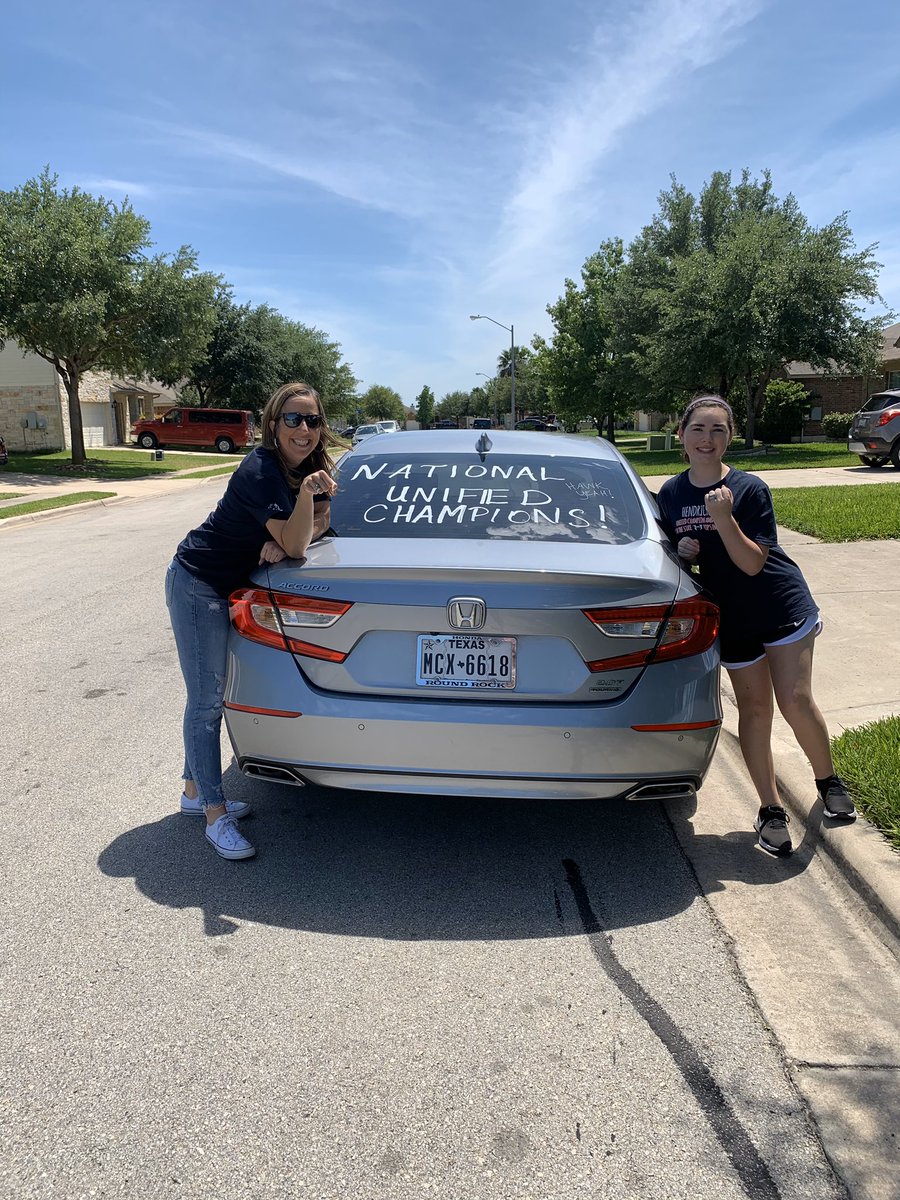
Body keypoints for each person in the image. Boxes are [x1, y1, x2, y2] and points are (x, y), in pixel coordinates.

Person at [656, 395, 855, 857]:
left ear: (729, 436)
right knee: (755, 709)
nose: (708, 439)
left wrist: (723, 521)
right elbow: (680, 558)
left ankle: (826, 780)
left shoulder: (749, 489)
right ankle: (771, 809)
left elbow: (751, 563)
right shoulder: (671, 494)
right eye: (699, 429)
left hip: (779, 606)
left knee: (795, 699)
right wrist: (686, 554)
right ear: (682, 435)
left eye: (719, 430)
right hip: (733, 616)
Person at [165, 381, 339, 861]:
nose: (303, 429)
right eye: (293, 419)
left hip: (231, 587)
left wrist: (286, 535)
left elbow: (318, 526)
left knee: (212, 694)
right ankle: (215, 816)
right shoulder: (261, 467)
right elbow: (302, 540)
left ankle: (193, 792)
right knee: (206, 701)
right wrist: (296, 519)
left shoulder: (312, 469)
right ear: (273, 423)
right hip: (198, 581)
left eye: (312, 420)